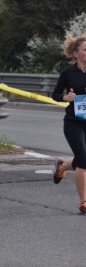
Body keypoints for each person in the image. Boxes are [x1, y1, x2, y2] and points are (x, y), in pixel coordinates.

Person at [52, 34, 86, 214]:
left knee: (84, 159)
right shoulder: (68, 73)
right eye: (85, 50)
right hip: (73, 122)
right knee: (84, 161)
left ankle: (62, 166)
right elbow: (55, 95)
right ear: (76, 53)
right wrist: (66, 97)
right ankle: (84, 202)